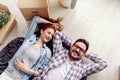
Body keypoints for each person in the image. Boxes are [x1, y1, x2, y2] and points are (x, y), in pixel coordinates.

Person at [32, 30, 108, 80]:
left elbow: (103, 64)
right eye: (76, 47)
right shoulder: (60, 51)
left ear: (84, 53)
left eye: (81, 50)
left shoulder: (83, 68)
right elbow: (58, 34)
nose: (77, 50)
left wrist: (87, 55)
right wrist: (71, 44)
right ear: (72, 46)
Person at [0, 16, 58, 80]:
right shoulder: (30, 38)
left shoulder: (47, 52)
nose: (50, 36)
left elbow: (40, 73)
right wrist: (51, 24)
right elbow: (36, 19)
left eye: (52, 35)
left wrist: (26, 69)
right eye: (48, 33)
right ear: (42, 31)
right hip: (8, 72)